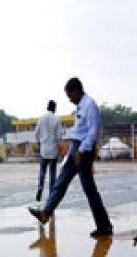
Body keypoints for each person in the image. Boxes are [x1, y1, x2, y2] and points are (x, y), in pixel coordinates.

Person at [28, 77, 113, 238]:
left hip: (82, 152)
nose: (69, 99)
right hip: (74, 151)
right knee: (60, 183)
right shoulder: (81, 106)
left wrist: (82, 151)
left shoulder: (89, 105)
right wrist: (71, 152)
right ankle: (46, 213)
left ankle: (104, 226)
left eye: (70, 95)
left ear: (77, 91)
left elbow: (93, 131)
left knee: (90, 190)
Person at [33, 100, 64, 202]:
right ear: (54, 108)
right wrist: (59, 147)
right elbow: (59, 136)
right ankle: (51, 193)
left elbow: (36, 134)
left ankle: (40, 187)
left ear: (47, 107)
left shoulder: (41, 118)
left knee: (42, 171)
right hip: (53, 151)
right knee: (52, 174)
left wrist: (39, 143)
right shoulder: (56, 119)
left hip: (44, 150)